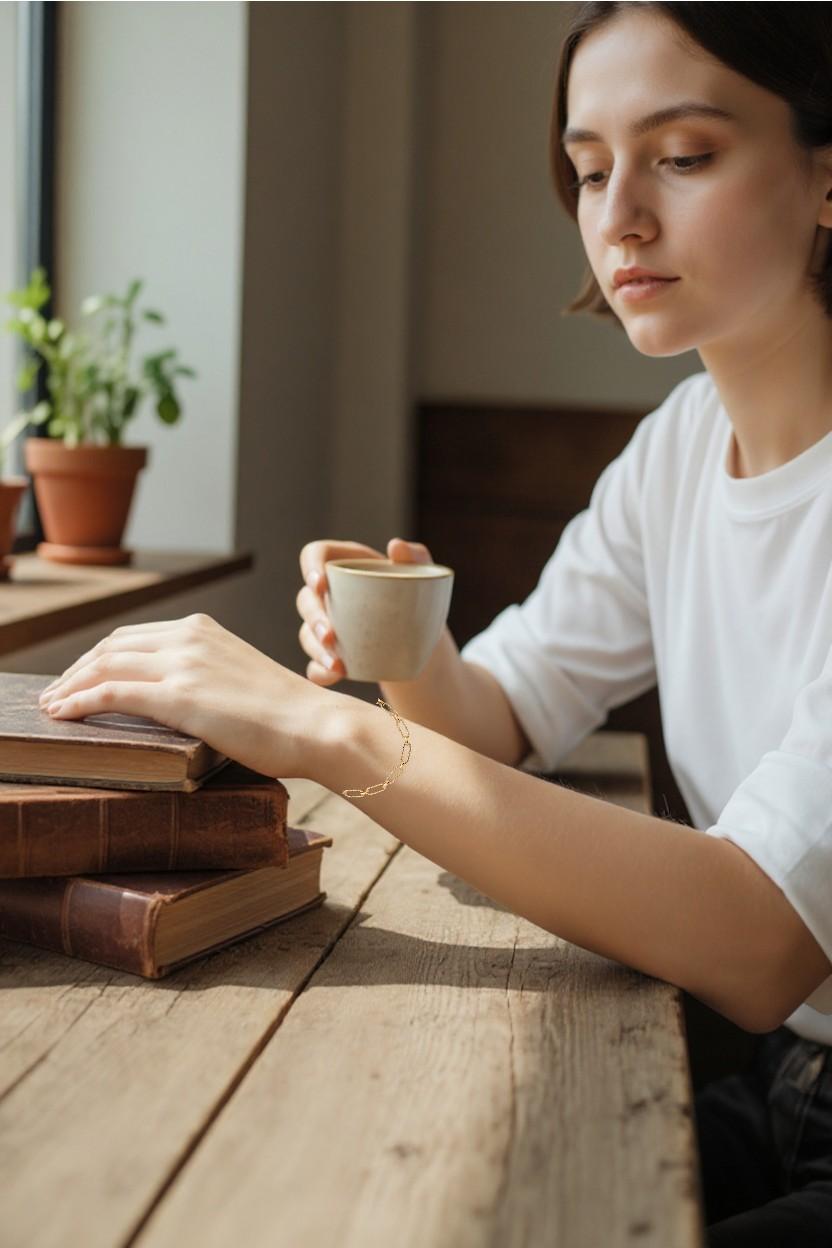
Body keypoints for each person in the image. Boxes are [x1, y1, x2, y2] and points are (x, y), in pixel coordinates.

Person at [38, 4, 832, 1242]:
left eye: (681, 155)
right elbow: (501, 718)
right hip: (783, 1083)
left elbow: (761, 936)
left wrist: (325, 732)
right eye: (584, 168)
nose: (617, 212)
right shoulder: (676, 452)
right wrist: (401, 650)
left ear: (825, 174)